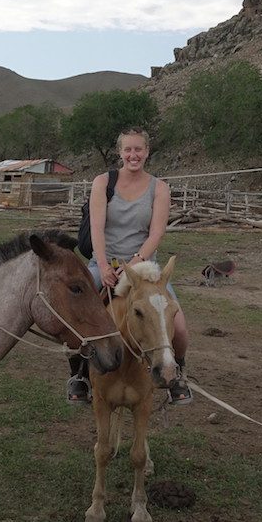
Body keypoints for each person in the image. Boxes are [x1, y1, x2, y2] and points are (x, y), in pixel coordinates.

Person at [67, 127, 192, 406]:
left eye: (138, 149)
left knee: (180, 327)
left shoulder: (159, 188)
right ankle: (79, 376)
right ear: (120, 152)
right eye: (128, 150)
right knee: (77, 319)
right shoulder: (103, 182)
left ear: (147, 152)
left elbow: (156, 233)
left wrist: (133, 265)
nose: (133, 155)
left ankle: (177, 374)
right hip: (105, 263)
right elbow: (97, 227)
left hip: (145, 268)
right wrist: (103, 264)